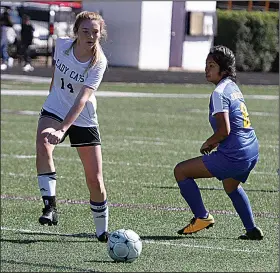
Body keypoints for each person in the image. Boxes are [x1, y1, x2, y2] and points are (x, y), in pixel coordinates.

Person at [174, 45, 263, 240]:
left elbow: (224, 130)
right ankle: (251, 229)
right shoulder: (233, 87)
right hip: (252, 150)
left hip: (235, 154)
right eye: (206, 64)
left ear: (224, 70)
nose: (207, 69)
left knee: (180, 171)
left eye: (211, 65)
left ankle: (202, 217)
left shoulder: (219, 92)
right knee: (231, 186)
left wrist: (209, 143)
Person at [36, 11, 109, 242]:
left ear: (100, 34)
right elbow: (55, 75)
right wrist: (50, 100)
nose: (90, 36)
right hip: (55, 108)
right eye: (85, 31)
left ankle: (102, 231)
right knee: (43, 143)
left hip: (83, 117)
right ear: (76, 32)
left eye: (95, 32)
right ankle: (50, 207)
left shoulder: (99, 62)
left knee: (95, 179)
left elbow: (82, 99)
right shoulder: (62, 45)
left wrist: (63, 129)